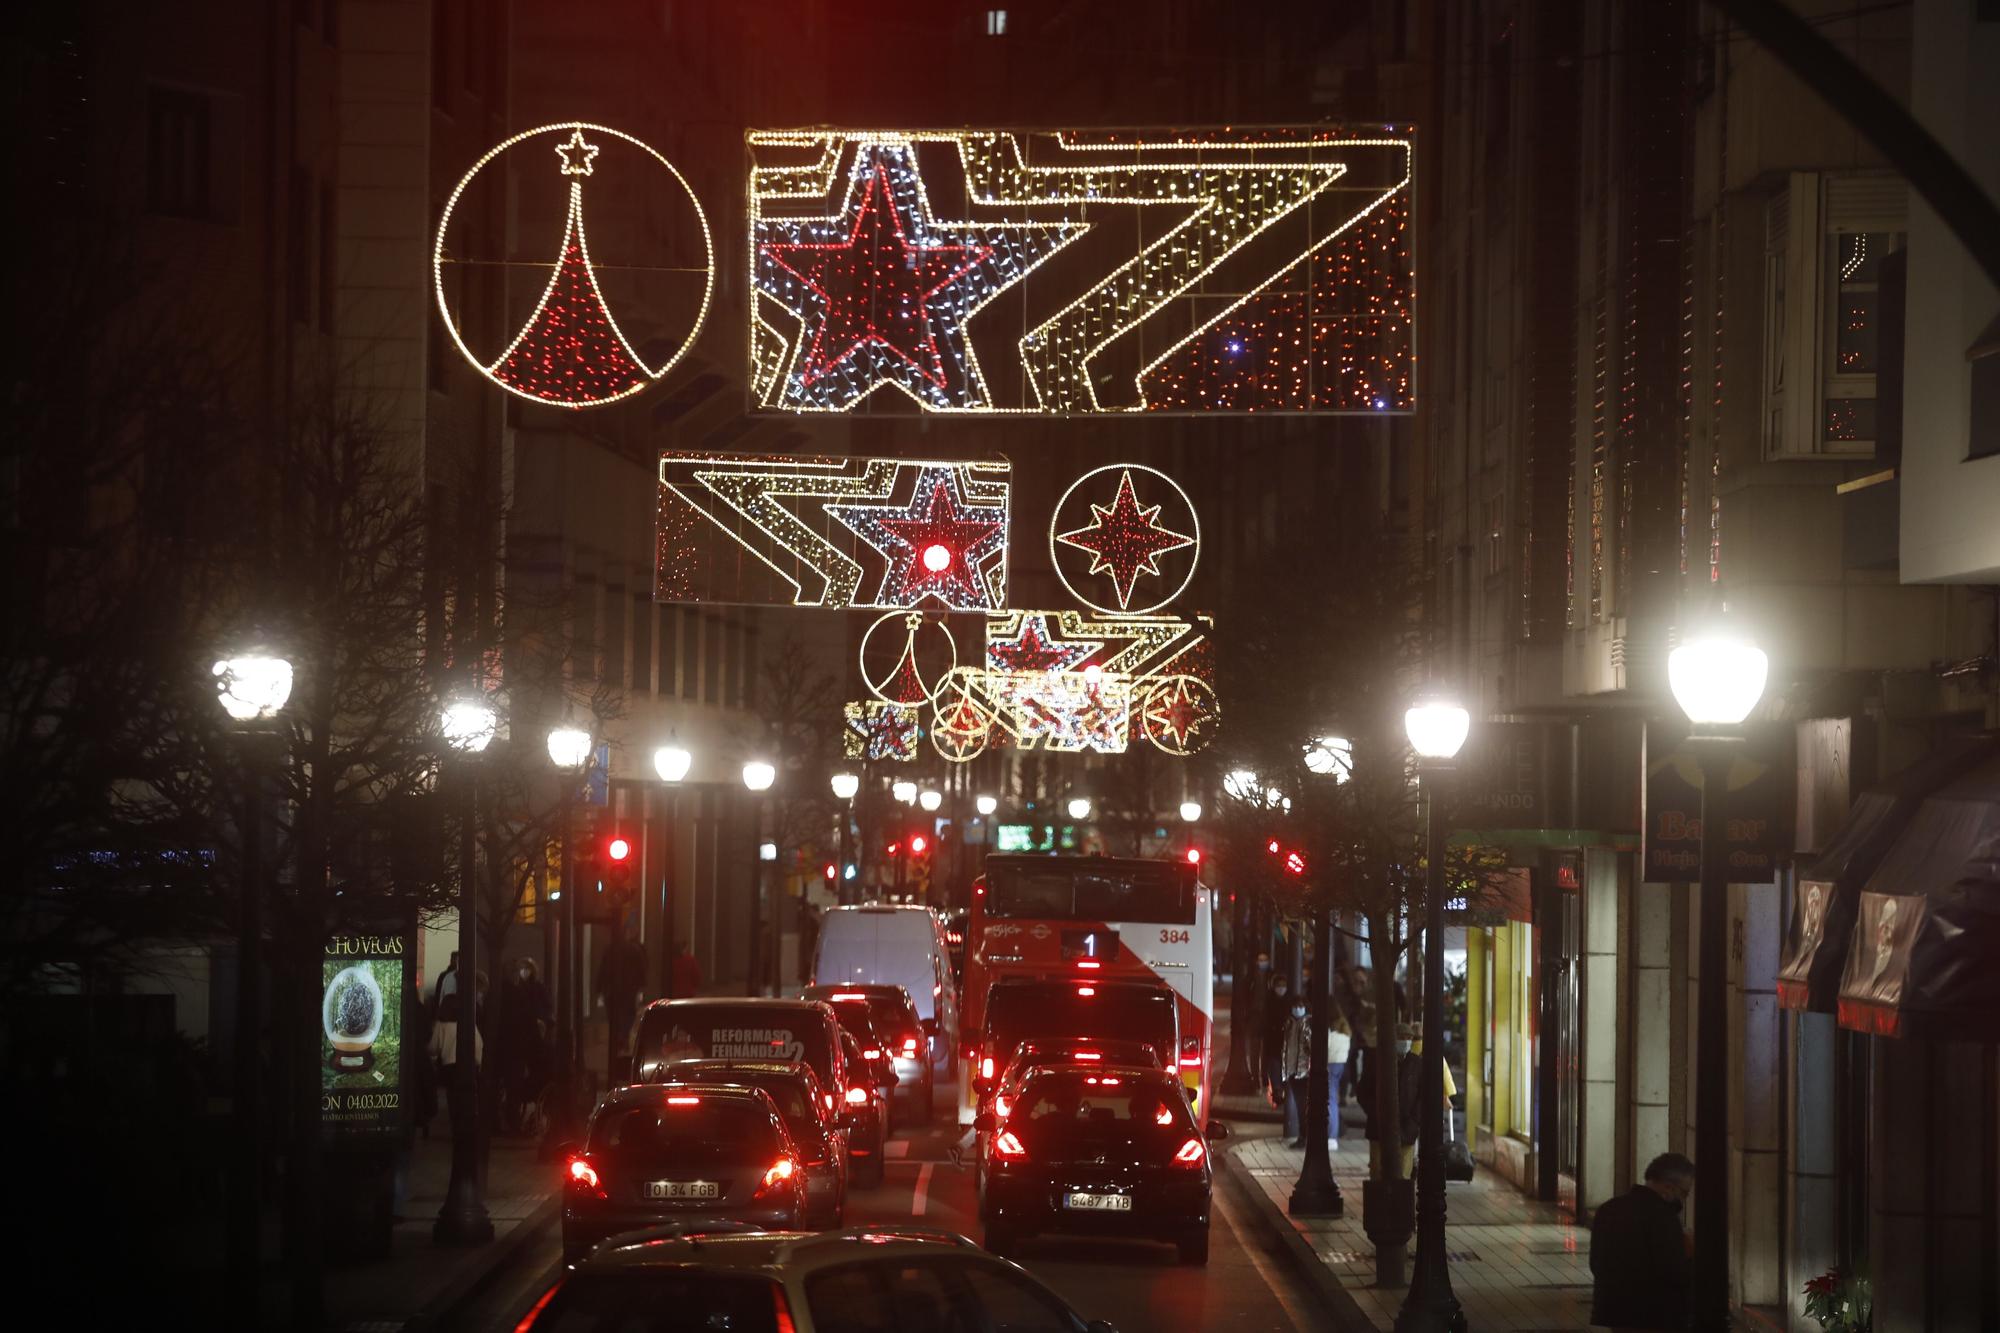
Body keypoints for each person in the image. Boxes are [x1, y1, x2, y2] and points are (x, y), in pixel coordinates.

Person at [1589, 1152, 1695, 1331]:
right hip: (1655, 1316)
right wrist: (1690, 1252)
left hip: (1615, 1313)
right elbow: (1674, 1271)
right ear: (1668, 1188)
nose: (1683, 1200)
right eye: (1684, 1193)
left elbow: (1596, 1263)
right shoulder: (1663, 1218)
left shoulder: (1608, 1209)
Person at [1360, 1022, 1421, 1178]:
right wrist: (1376, 1112)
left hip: (1407, 1129)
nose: (1406, 1042)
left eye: (1409, 1038)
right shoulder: (1377, 1061)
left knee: (1404, 1175)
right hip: (1379, 1128)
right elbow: (1363, 1091)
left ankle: (1399, 1203)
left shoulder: (1416, 1064)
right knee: (1377, 1172)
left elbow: (1422, 1096)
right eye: (1401, 1037)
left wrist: (1414, 1122)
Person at [428, 990, 483, 1129]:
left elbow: (433, 1048)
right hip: (468, 1065)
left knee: (452, 1096)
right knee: (467, 1096)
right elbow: (478, 1045)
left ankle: (455, 1123)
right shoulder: (470, 1024)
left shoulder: (442, 1025)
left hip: (449, 1066)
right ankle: (466, 1123)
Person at [597, 917, 646, 1065]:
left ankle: (618, 1037)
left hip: (612, 991)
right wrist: (640, 987)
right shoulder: (634, 950)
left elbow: (603, 970)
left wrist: (600, 989)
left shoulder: (610, 950)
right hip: (628, 990)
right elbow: (641, 970)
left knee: (614, 1016)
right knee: (628, 1014)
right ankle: (622, 1037)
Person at [1279, 992, 1312, 1145]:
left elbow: (1311, 1048)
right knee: (1299, 1106)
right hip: (1292, 1070)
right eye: (1295, 1006)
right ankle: (1303, 1135)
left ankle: (1305, 1136)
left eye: (1300, 1006)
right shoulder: (1289, 1023)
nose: (1297, 1009)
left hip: (1304, 1072)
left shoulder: (1308, 1024)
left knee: (1304, 1105)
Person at [1260, 975, 1292, 1108]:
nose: (1281, 988)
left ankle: (1282, 1092)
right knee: (1275, 1067)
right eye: (1279, 985)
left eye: (1283, 985)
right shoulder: (1270, 1001)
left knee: (1283, 1068)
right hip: (1273, 1041)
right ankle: (1278, 1093)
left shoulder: (1289, 1001)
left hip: (1286, 1043)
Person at [1325, 1005, 1353, 1148]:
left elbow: (1326, 1050)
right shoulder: (1346, 1036)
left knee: (1330, 1100)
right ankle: (1332, 1133)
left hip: (1331, 1065)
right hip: (1341, 1065)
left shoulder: (1331, 1035)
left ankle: (1331, 1135)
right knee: (1332, 1099)